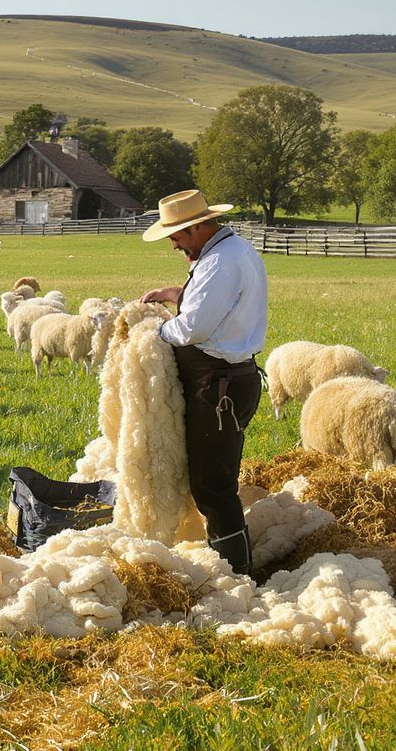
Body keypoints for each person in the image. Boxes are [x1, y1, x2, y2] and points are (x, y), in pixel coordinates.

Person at [139, 190, 267, 575]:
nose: (174, 244)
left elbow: (194, 327)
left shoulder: (220, 263)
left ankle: (236, 572)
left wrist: (151, 332)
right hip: (224, 381)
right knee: (214, 479)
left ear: (196, 228)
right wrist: (175, 294)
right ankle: (230, 560)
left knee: (213, 486)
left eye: (176, 236)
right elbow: (219, 305)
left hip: (217, 386)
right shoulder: (229, 252)